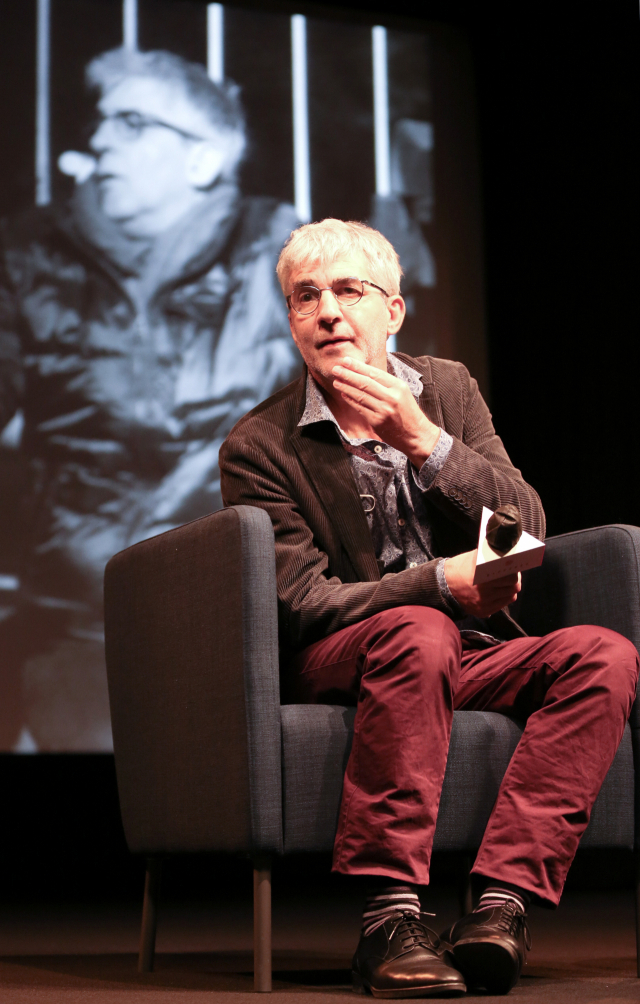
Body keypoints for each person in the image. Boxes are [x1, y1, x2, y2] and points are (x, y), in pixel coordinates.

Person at [219, 219, 639, 997]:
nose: (328, 312)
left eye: (349, 291)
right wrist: (439, 585)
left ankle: (500, 908)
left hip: (472, 649)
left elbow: (524, 526)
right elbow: (304, 602)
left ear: (393, 312)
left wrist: (425, 442)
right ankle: (390, 921)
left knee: (605, 655)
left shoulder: (447, 390)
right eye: (306, 297)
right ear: (292, 321)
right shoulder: (261, 445)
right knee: (419, 630)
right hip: (350, 652)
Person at [0, 47, 300, 751]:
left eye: (132, 122)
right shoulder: (28, 250)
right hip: (77, 606)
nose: (101, 139)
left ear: (204, 158)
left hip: (236, 594)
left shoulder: (281, 252)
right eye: (102, 121)